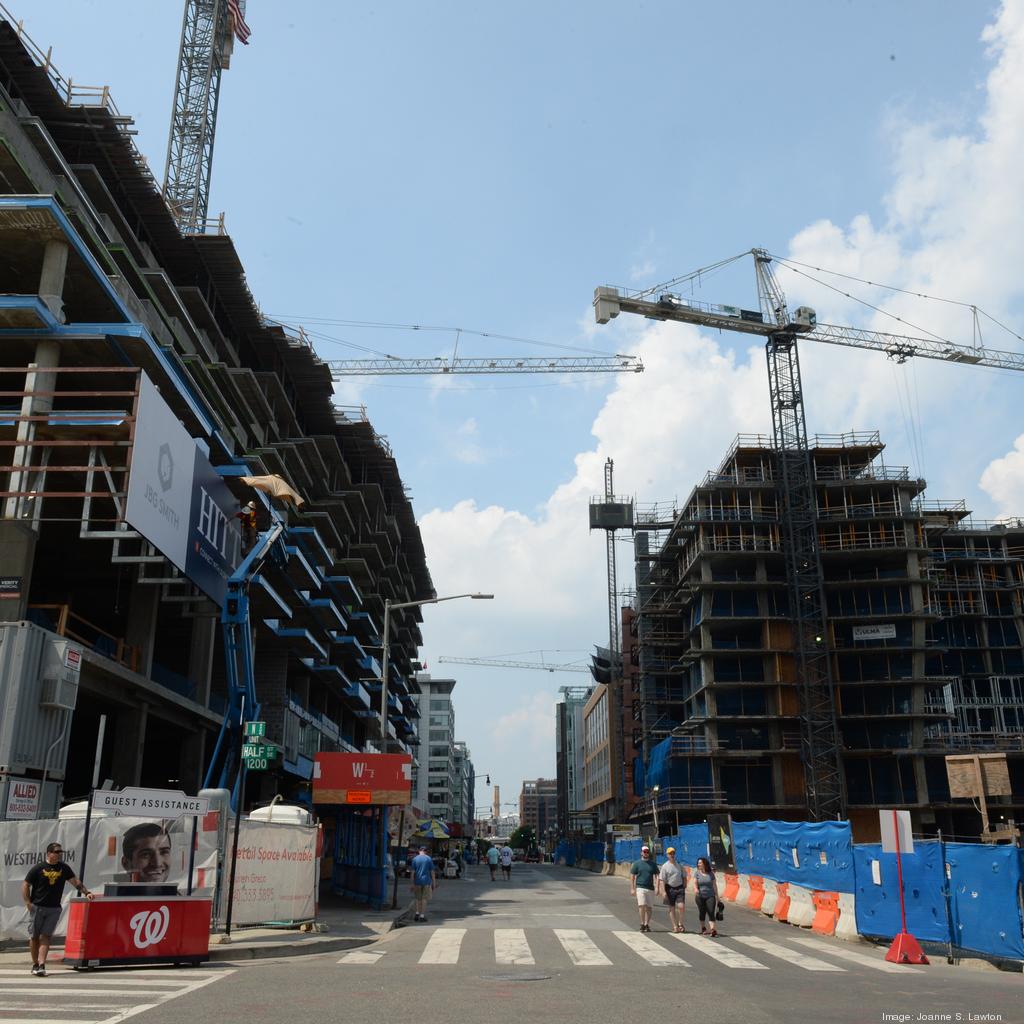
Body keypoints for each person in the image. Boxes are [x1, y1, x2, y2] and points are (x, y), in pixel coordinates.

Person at [22, 841, 94, 977]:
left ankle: (42, 964)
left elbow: (75, 882)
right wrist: (28, 903)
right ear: (49, 853)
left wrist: (87, 892)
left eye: (61, 852)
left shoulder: (63, 868)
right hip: (38, 907)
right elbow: (25, 884)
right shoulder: (39, 868)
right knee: (34, 937)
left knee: (46, 936)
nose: (60, 854)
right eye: (57, 852)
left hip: (54, 908)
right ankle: (35, 964)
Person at [630, 844, 658, 932]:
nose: (646, 853)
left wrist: (657, 886)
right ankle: (642, 923)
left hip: (650, 888)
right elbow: (632, 876)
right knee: (641, 905)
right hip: (640, 887)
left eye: (647, 852)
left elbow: (657, 875)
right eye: (644, 852)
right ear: (641, 853)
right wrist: (632, 888)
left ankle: (647, 924)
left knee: (649, 907)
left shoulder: (653, 864)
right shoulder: (637, 864)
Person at [658, 846, 687, 933]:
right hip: (669, 888)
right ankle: (675, 926)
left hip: (679, 888)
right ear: (667, 855)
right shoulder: (665, 866)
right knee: (671, 908)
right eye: (670, 853)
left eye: (673, 853)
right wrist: (663, 892)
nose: (672, 855)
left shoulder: (679, 865)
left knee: (681, 906)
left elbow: (684, 876)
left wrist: (684, 885)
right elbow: (662, 880)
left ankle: (680, 923)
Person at [693, 856, 719, 937]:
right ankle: (703, 928)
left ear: (704, 864)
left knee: (711, 911)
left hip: (710, 896)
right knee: (702, 912)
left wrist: (717, 896)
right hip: (700, 896)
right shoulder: (697, 873)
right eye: (698, 863)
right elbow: (695, 883)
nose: (698, 864)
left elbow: (714, 885)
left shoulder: (711, 873)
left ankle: (713, 929)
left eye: (700, 863)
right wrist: (696, 889)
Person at [410, 845, 436, 922]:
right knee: (424, 899)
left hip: (417, 882)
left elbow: (412, 873)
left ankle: (417, 913)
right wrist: (434, 883)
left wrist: (412, 884)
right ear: (426, 851)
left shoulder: (415, 859)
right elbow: (432, 872)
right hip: (427, 882)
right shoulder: (428, 859)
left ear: (419, 851)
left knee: (417, 898)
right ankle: (422, 916)